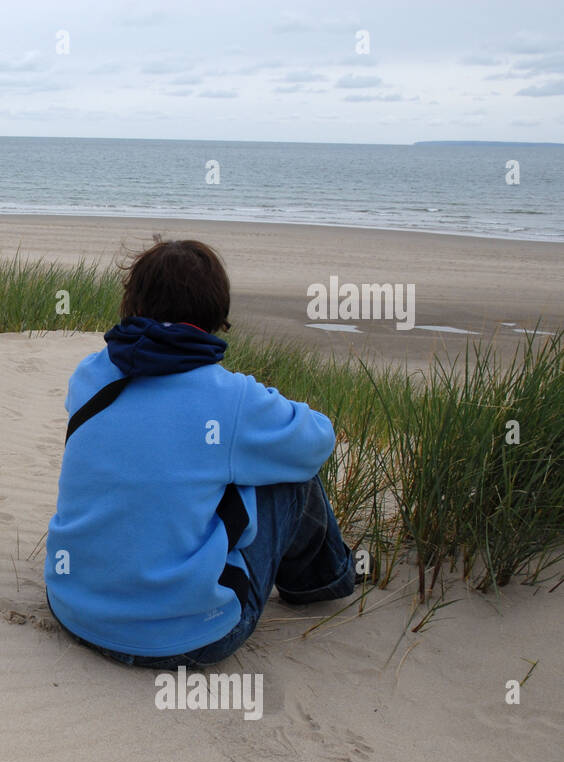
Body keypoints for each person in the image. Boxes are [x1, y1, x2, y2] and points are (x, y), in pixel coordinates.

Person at [44, 239, 356, 669]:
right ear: (215, 315)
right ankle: (327, 579)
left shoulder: (89, 375)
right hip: (187, 639)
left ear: (131, 304)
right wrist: (260, 407)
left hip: (73, 607)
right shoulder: (232, 399)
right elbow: (318, 440)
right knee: (288, 471)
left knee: (201, 464)